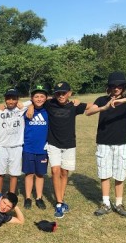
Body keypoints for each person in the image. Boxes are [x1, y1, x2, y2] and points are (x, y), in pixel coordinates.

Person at [86, 71, 126, 217]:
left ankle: (119, 203)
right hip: (104, 142)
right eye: (113, 85)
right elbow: (89, 112)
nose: (116, 88)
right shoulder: (102, 99)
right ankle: (106, 203)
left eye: (119, 85)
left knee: (120, 175)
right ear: (109, 86)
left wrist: (124, 101)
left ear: (123, 86)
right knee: (104, 173)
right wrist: (104, 108)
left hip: (123, 142)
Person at [29, 82, 91, 218]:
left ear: (70, 92)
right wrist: (30, 106)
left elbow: (91, 107)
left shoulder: (74, 106)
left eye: (64, 93)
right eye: (58, 93)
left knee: (64, 172)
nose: (61, 95)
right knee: (55, 170)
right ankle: (58, 203)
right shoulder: (50, 104)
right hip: (53, 143)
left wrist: (78, 101)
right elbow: (37, 100)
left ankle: (61, 200)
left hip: (69, 144)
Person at [0, 89, 31, 202]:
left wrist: (29, 106)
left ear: (17, 99)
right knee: (0, 173)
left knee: (14, 173)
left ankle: (11, 195)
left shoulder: (21, 108)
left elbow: (37, 100)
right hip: (2, 146)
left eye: (14, 99)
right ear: (5, 99)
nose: (11, 101)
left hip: (17, 146)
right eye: (8, 98)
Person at [22, 85, 49, 210]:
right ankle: (28, 197)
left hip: (42, 148)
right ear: (32, 98)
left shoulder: (48, 110)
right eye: (36, 96)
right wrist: (30, 105)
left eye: (42, 96)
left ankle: (39, 198)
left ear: (46, 98)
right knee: (29, 173)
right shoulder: (25, 111)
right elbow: (18, 104)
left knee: (39, 174)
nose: (39, 99)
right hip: (28, 147)